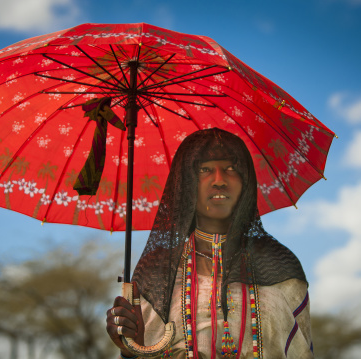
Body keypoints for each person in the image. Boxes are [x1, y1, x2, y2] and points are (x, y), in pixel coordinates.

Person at [106, 128, 313, 358]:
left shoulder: (281, 268)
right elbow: (140, 350)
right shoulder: (156, 274)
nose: (219, 181)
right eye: (204, 170)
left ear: (247, 182)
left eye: (231, 169)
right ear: (185, 184)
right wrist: (130, 348)